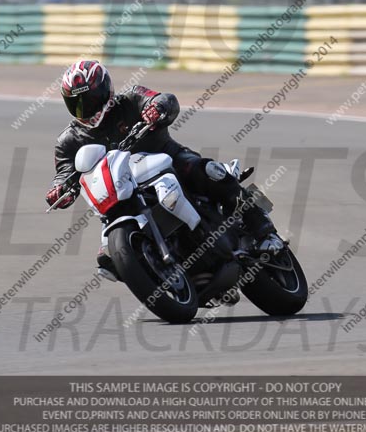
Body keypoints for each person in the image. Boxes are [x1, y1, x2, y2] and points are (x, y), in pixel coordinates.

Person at [46, 59, 282, 281]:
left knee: (209, 172)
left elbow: (164, 99)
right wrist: (59, 189)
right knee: (107, 258)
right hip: (122, 189)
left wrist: (157, 108)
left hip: (168, 159)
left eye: (88, 100)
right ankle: (158, 274)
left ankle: (264, 231)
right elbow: (65, 172)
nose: (83, 108)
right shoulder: (69, 139)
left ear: (105, 90)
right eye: (75, 103)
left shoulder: (131, 99)